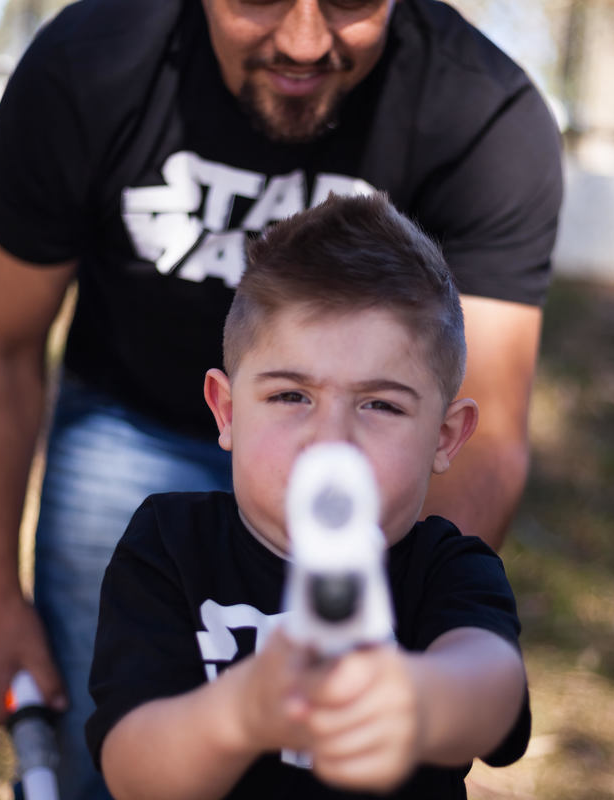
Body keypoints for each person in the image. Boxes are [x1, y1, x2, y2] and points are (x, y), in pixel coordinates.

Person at [0, 1, 560, 797]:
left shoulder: (484, 112)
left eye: (345, 1)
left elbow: (488, 681)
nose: (305, 41)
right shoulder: (87, 66)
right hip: (127, 413)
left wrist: (415, 694)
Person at [87, 192, 530, 799]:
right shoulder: (171, 545)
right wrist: (238, 715)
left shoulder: (447, 568)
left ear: (445, 436)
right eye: (292, 396)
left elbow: (494, 690)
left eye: (380, 405)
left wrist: (416, 698)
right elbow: (134, 772)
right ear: (227, 411)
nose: (331, 441)